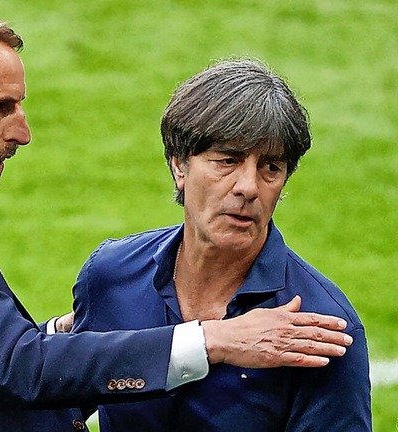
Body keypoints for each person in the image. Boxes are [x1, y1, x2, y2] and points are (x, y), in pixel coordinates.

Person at [0, 3, 354, 431]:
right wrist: (213, 340)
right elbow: (19, 368)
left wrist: (72, 332)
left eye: (272, 167)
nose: (23, 132)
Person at [72, 59, 371, 431]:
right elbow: (60, 399)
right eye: (227, 160)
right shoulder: (111, 275)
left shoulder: (321, 327)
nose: (248, 187)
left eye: (270, 168)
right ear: (179, 165)